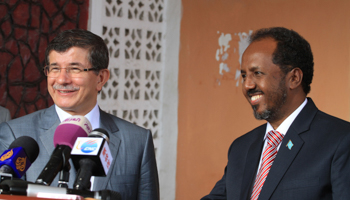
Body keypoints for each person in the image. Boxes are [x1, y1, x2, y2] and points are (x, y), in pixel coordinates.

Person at [0, 29, 159, 200]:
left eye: (74, 69)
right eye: (54, 69)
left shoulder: (137, 141)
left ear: (101, 78)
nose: (62, 80)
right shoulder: (15, 134)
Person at [201, 27, 350, 200]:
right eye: (244, 76)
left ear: (294, 78)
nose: (247, 85)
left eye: (257, 73)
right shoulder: (240, 148)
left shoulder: (341, 140)